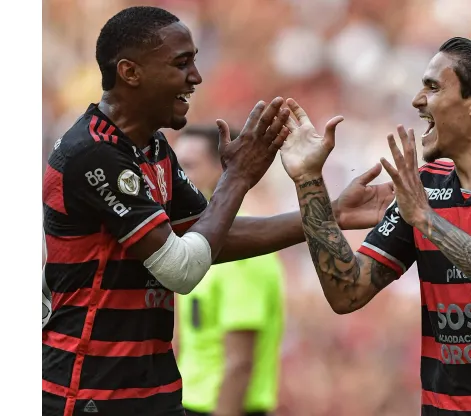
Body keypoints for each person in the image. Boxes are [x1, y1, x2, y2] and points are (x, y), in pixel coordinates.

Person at [41, 6, 393, 416]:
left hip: (154, 393)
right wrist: (236, 178)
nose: (196, 77)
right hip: (89, 395)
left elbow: (209, 236)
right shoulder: (93, 154)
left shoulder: (151, 148)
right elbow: (182, 269)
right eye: (181, 63)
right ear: (130, 72)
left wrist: (327, 215)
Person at [279, 32, 471, 415]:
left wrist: (427, 221)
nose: (417, 100)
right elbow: (346, 292)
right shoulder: (426, 186)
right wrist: (309, 180)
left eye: (432, 87)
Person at [172, 125, 285, 416]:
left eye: (188, 166)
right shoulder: (197, 241)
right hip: (190, 402)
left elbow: (239, 363)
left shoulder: (242, 251)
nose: (176, 178)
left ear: (223, 172)